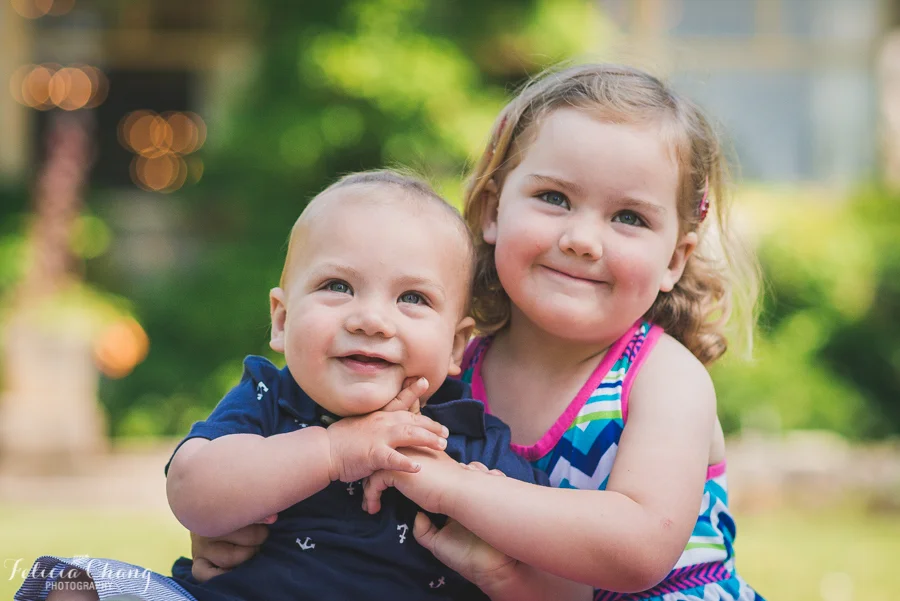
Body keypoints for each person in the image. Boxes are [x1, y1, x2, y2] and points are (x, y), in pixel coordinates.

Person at [196, 64, 765, 601]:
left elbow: (638, 549)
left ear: (675, 258)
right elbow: (343, 485)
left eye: (630, 218)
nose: (583, 239)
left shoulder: (663, 378)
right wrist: (237, 525)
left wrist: (451, 488)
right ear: (493, 209)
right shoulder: (444, 365)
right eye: (554, 198)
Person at [15, 170, 548, 601]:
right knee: (74, 586)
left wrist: (468, 495)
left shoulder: (466, 438)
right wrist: (334, 450)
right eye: (337, 286)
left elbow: (543, 569)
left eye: (412, 298)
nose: (371, 320)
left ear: (457, 346)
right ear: (281, 320)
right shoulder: (269, 398)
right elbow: (191, 494)